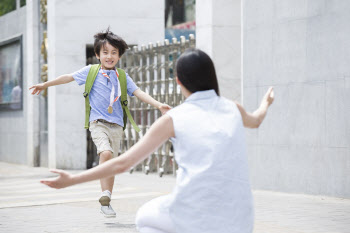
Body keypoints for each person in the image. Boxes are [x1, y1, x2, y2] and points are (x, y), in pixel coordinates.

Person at [40, 48, 274, 233]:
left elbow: (123, 164)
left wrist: (72, 180)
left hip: (196, 217)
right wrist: (266, 102)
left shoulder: (174, 118)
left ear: (178, 82)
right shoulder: (233, 108)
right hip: (242, 221)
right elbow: (257, 120)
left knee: (145, 217)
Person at [29, 28, 171, 218]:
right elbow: (68, 77)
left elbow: (138, 93)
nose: (109, 56)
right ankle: (104, 190)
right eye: (105, 52)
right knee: (106, 153)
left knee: (110, 161)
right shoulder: (91, 71)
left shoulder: (122, 76)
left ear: (119, 56)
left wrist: (158, 104)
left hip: (117, 126)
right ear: (97, 55)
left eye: (114, 53)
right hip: (98, 123)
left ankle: (107, 198)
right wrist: (45, 85)